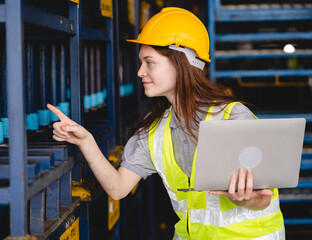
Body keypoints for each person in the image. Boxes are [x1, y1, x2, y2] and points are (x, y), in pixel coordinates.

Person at [47, 7, 285, 240]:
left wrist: (246, 198)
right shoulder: (155, 131)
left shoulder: (233, 117)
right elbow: (118, 189)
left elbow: (264, 196)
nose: (140, 72)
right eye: (141, 62)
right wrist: (86, 141)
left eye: (149, 62)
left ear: (182, 62)